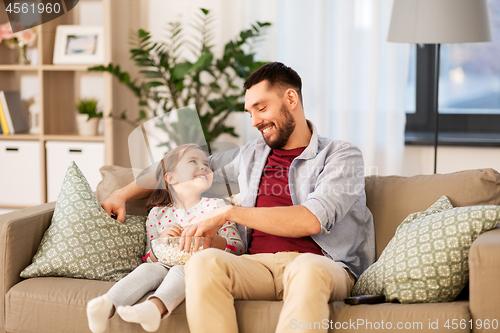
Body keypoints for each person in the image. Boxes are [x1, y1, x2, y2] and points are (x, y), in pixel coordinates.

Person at [101, 62, 375, 333]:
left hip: (321, 264)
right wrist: (123, 193)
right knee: (202, 263)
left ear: (291, 98)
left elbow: (312, 220)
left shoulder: (341, 155)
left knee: (307, 268)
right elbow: (179, 168)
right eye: (250, 113)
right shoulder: (250, 155)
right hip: (256, 266)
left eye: (262, 107)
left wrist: (229, 213)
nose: (255, 121)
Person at [88, 143, 244, 333]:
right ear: (170, 178)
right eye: (193, 161)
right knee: (148, 269)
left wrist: (212, 242)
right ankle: (107, 306)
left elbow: (239, 248)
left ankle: (154, 308)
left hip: (197, 267)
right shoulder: (157, 214)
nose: (204, 167)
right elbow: (148, 257)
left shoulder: (219, 207)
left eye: (207, 165)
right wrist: (161, 242)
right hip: (162, 265)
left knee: (181, 270)